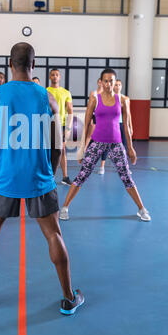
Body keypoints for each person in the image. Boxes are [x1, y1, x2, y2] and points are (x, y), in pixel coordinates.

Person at [0, 42, 84, 316]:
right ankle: (68, 298)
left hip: (3, 178)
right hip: (39, 178)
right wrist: (48, 172)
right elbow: (58, 146)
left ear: (10, 64)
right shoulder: (47, 97)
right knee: (54, 234)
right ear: (33, 65)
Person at [60, 68, 151, 222]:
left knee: (126, 177)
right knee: (83, 175)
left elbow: (127, 126)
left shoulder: (122, 100)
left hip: (116, 144)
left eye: (112, 81)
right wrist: (82, 148)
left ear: (115, 82)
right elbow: (88, 122)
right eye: (106, 81)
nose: (109, 84)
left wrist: (130, 148)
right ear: (101, 82)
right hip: (96, 143)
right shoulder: (95, 99)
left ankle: (141, 209)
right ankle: (65, 207)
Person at [98, 78, 133, 175]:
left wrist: (130, 127)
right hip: (111, 125)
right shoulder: (109, 98)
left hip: (122, 125)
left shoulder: (125, 99)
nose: (117, 87)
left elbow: (128, 115)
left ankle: (125, 168)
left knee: (124, 147)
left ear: (121, 86)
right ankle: (102, 167)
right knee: (105, 146)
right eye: (116, 85)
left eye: (119, 85)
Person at [47, 69, 73, 186]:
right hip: (48, 124)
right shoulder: (45, 91)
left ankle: (65, 176)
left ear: (60, 77)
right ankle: (48, 175)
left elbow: (70, 111)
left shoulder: (66, 92)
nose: (55, 77)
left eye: (57, 75)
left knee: (61, 150)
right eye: (52, 75)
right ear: (49, 77)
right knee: (47, 151)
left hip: (61, 125)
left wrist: (68, 128)